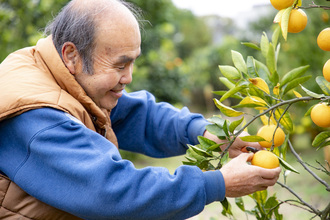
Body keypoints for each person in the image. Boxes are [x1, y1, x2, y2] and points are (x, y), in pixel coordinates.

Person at [0, 0, 281, 219]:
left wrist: (204, 132)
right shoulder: (37, 116)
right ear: (72, 55)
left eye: (132, 62)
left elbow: (138, 115)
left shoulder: (54, 70)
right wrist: (218, 183)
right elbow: (112, 192)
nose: (129, 77)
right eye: (120, 65)